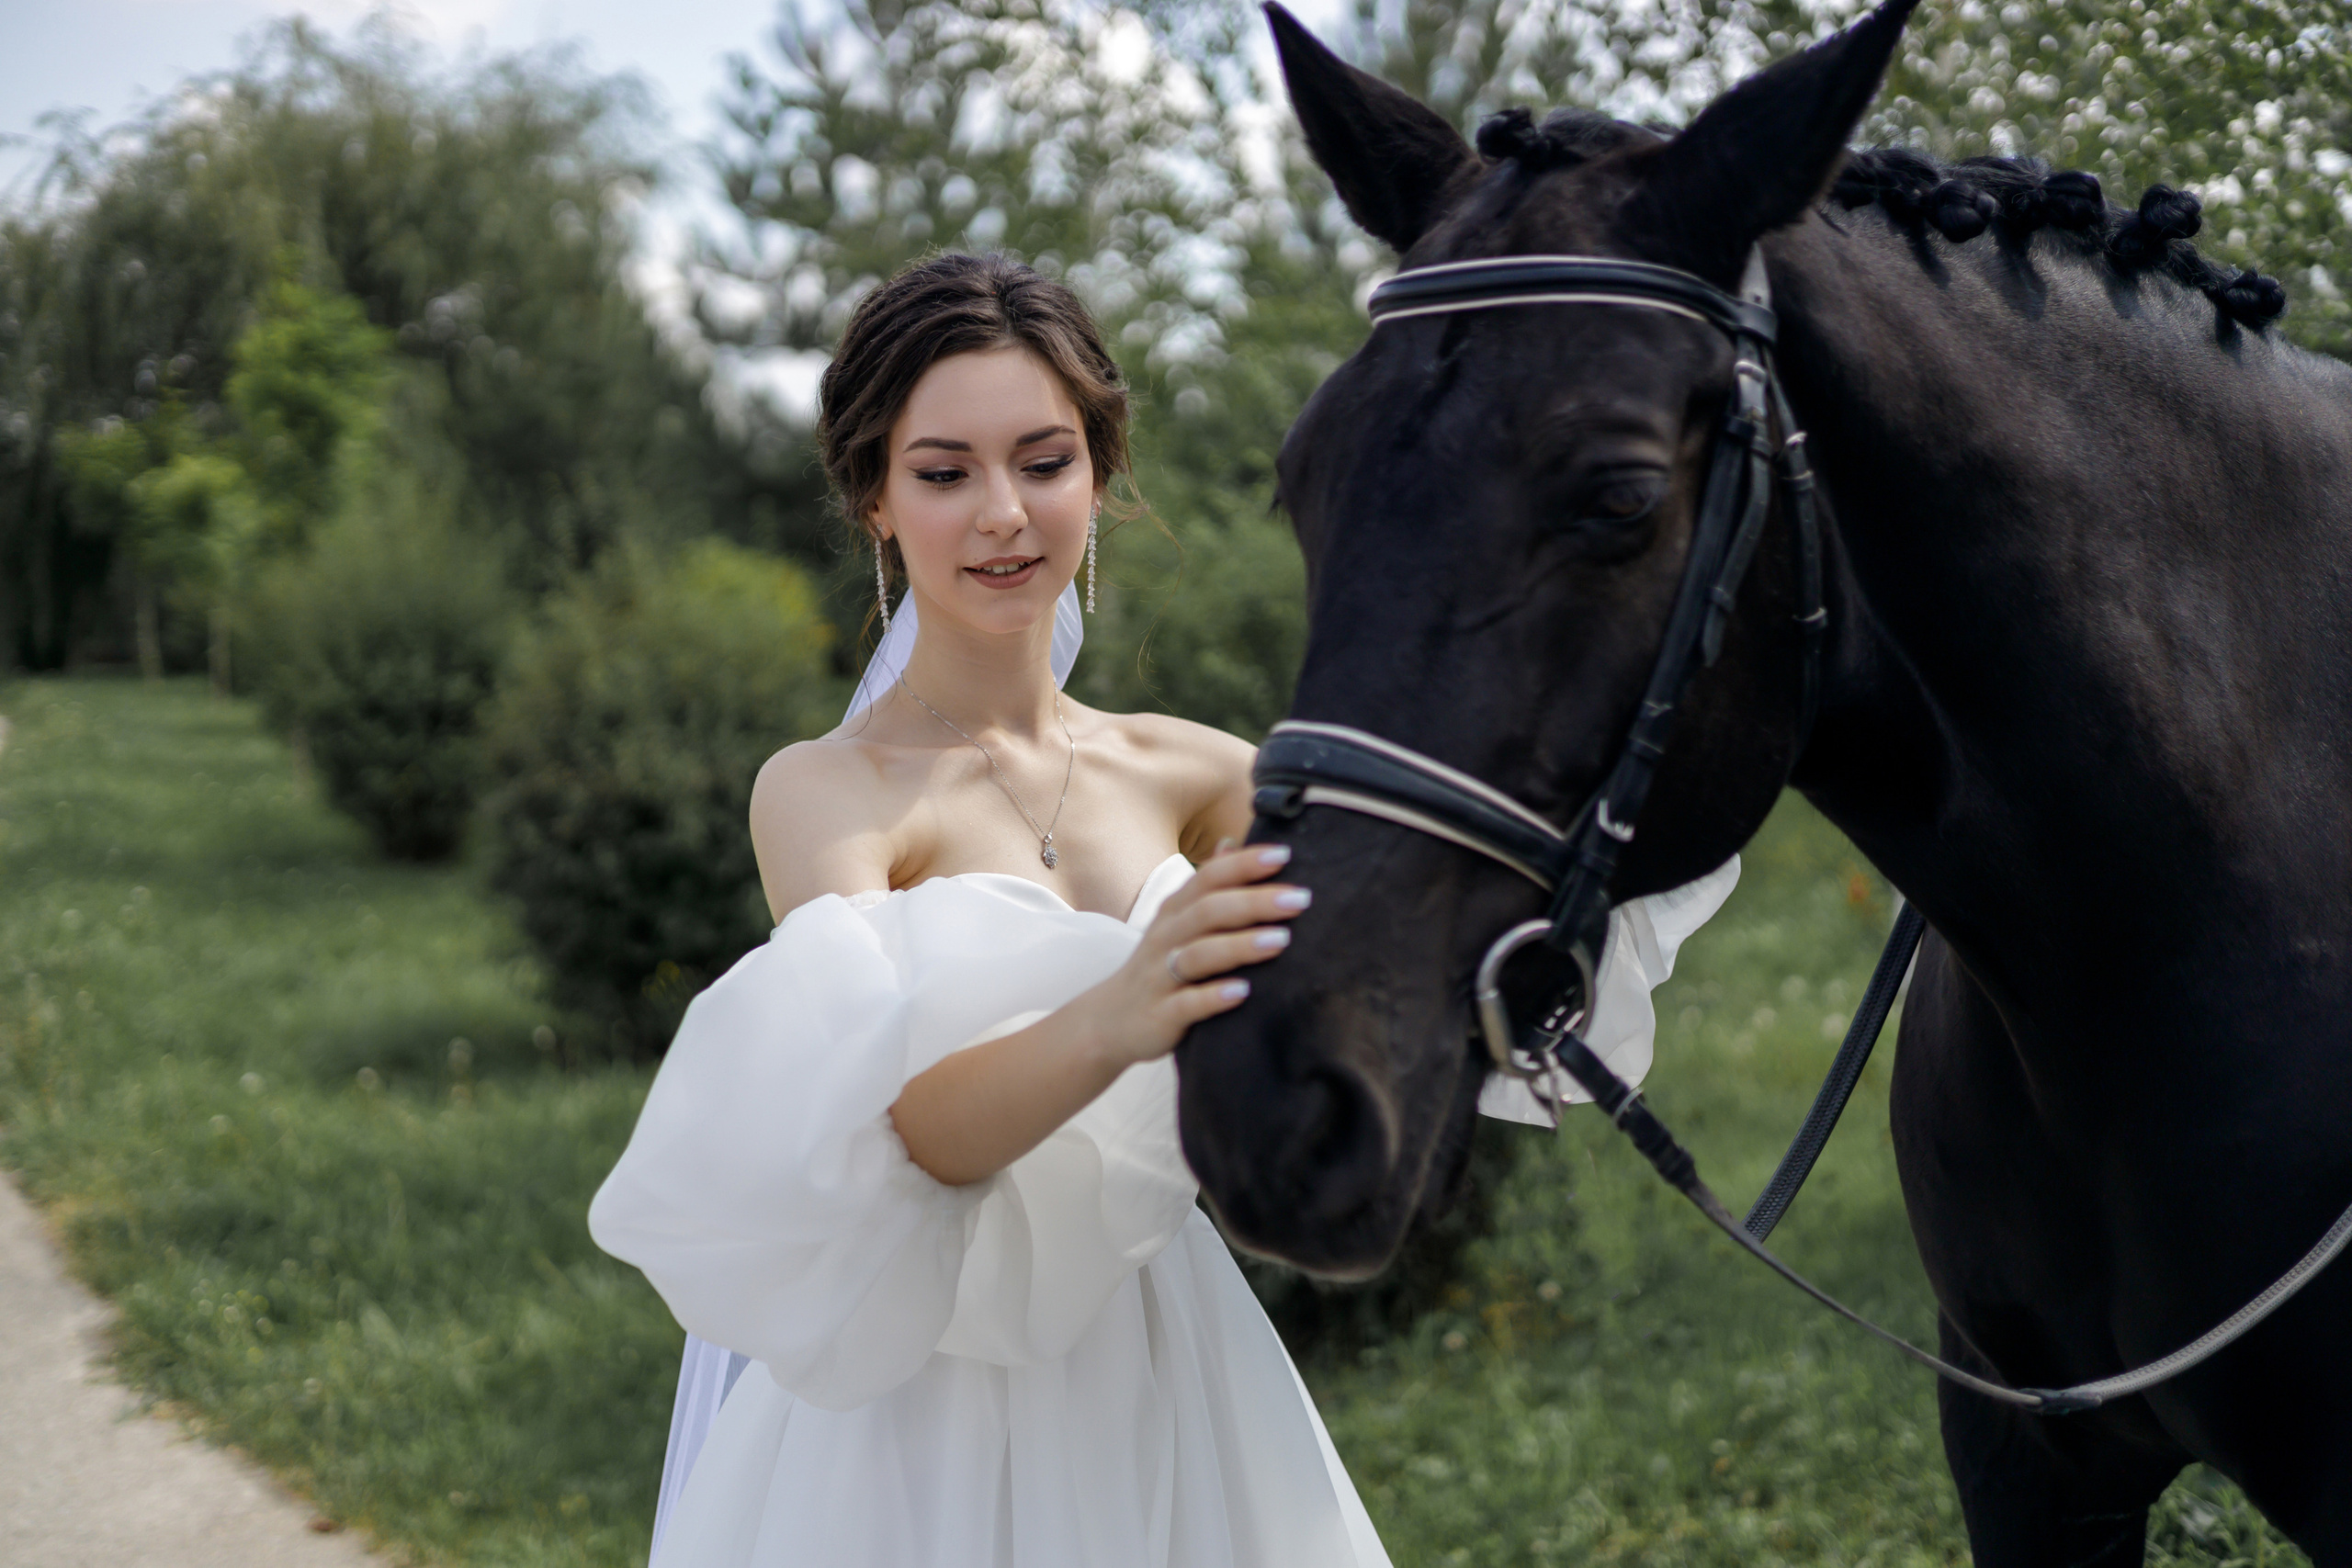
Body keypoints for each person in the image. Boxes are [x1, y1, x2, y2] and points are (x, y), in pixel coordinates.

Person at [587, 252, 1736, 1567]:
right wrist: (1121, 1012)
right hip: (914, 1423)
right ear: (875, 500)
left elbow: (1427, 930)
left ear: (1100, 472)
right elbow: (891, 1137)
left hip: (1167, 1363)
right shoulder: (828, 795)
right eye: (946, 471)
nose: (1005, 514)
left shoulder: (1199, 775)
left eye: (1045, 459)